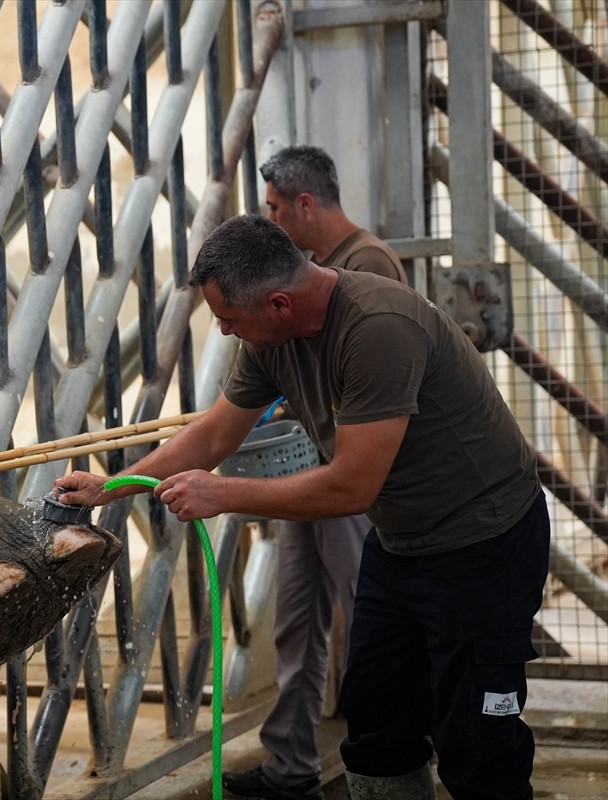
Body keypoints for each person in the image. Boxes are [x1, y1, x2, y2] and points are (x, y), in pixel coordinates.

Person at [55, 214, 549, 800]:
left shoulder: (376, 327)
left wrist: (225, 495)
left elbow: (351, 489)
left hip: (484, 546)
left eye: (229, 319)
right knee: (376, 730)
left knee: (477, 743)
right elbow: (215, 434)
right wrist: (114, 485)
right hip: (402, 545)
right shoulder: (271, 338)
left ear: (280, 304)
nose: (224, 331)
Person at [205, 146, 410, 800]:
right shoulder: (295, 283)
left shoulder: (364, 270)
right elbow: (223, 421)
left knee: (368, 614)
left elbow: (370, 396)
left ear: (305, 204)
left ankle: (387, 761)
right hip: (309, 474)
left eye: (272, 209)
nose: (269, 221)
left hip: (349, 480)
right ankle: (290, 761)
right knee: (298, 616)